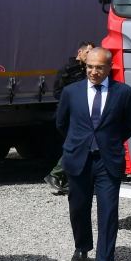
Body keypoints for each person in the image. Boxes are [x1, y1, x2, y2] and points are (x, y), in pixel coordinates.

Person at [55, 47, 131, 261]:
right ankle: (82, 246)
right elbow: (61, 123)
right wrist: (78, 143)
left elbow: (129, 124)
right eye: (90, 66)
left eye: (99, 67)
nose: (93, 71)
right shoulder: (72, 92)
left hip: (108, 160)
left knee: (109, 212)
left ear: (109, 67)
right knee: (78, 207)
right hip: (78, 158)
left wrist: (108, 141)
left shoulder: (123, 92)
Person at [45, 41, 96, 192]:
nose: (90, 56)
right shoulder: (67, 69)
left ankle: (66, 178)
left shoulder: (89, 69)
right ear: (80, 52)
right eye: (88, 53)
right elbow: (58, 92)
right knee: (77, 146)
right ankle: (55, 174)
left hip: (86, 113)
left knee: (82, 146)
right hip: (71, 113)